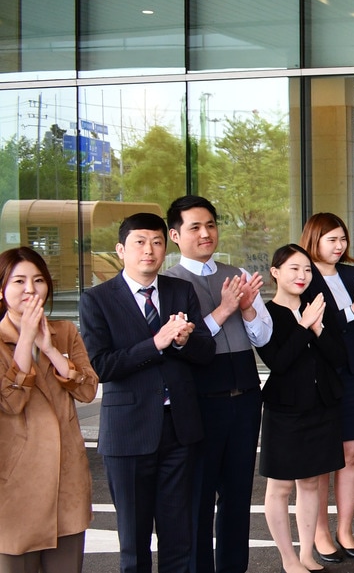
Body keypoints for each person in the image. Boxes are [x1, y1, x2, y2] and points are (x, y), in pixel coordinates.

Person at [81, 212, 214, 573]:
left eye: (157, 242)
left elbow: (206, 351)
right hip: (129, 433)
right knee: (134, 542)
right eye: (140, 242)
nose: (149, 251)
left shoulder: (179, 290)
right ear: (121, 250)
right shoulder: (97, 299)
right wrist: (156, 343)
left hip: (179, 429)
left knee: (179, 537)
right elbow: (104, 366)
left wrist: (185, 341)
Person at [164, 196, 273, 573]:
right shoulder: (170, 284)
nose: (206, 233)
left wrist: (247, 309)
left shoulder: (235, 272)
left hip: (245, 395)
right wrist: (224, 309)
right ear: (175, 235)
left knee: (238, 495)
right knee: (199, 496)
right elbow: (185, 345)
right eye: (194, 227)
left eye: (210, 224)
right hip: (201, 401)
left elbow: (261, 337)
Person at [0, 248, 98, 573]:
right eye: (19, 281)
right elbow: (10, 402)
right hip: (14, 489)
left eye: (38, 280)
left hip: (66, 484)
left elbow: (87, 389)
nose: (30, 288)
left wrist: (50, 349)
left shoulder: (65, 332)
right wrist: (25, 339)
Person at [256, 244, 347, 573]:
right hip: (285, 409)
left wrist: (318, 327)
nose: (302, 275)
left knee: (311, 483)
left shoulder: (319, 306)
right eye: (293, 269)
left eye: (307, 269)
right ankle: (288, 558)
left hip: (322, 406)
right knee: (280, 487)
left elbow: (340, 358)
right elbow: (277, 362)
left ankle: (307, 553)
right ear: (275, 272)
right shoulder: (267, 314)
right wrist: (303, 325)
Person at [299, 213, 354, 563]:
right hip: (324, 375)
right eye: (331, 239)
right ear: (313, 239)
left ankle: (345, 530)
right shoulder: (304, 276)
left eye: (342, 238)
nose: (339, 245)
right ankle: (320, 534)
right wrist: (353, 312)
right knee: (321, 461)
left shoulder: (351, 274)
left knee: (352, 454)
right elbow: (317, 327)